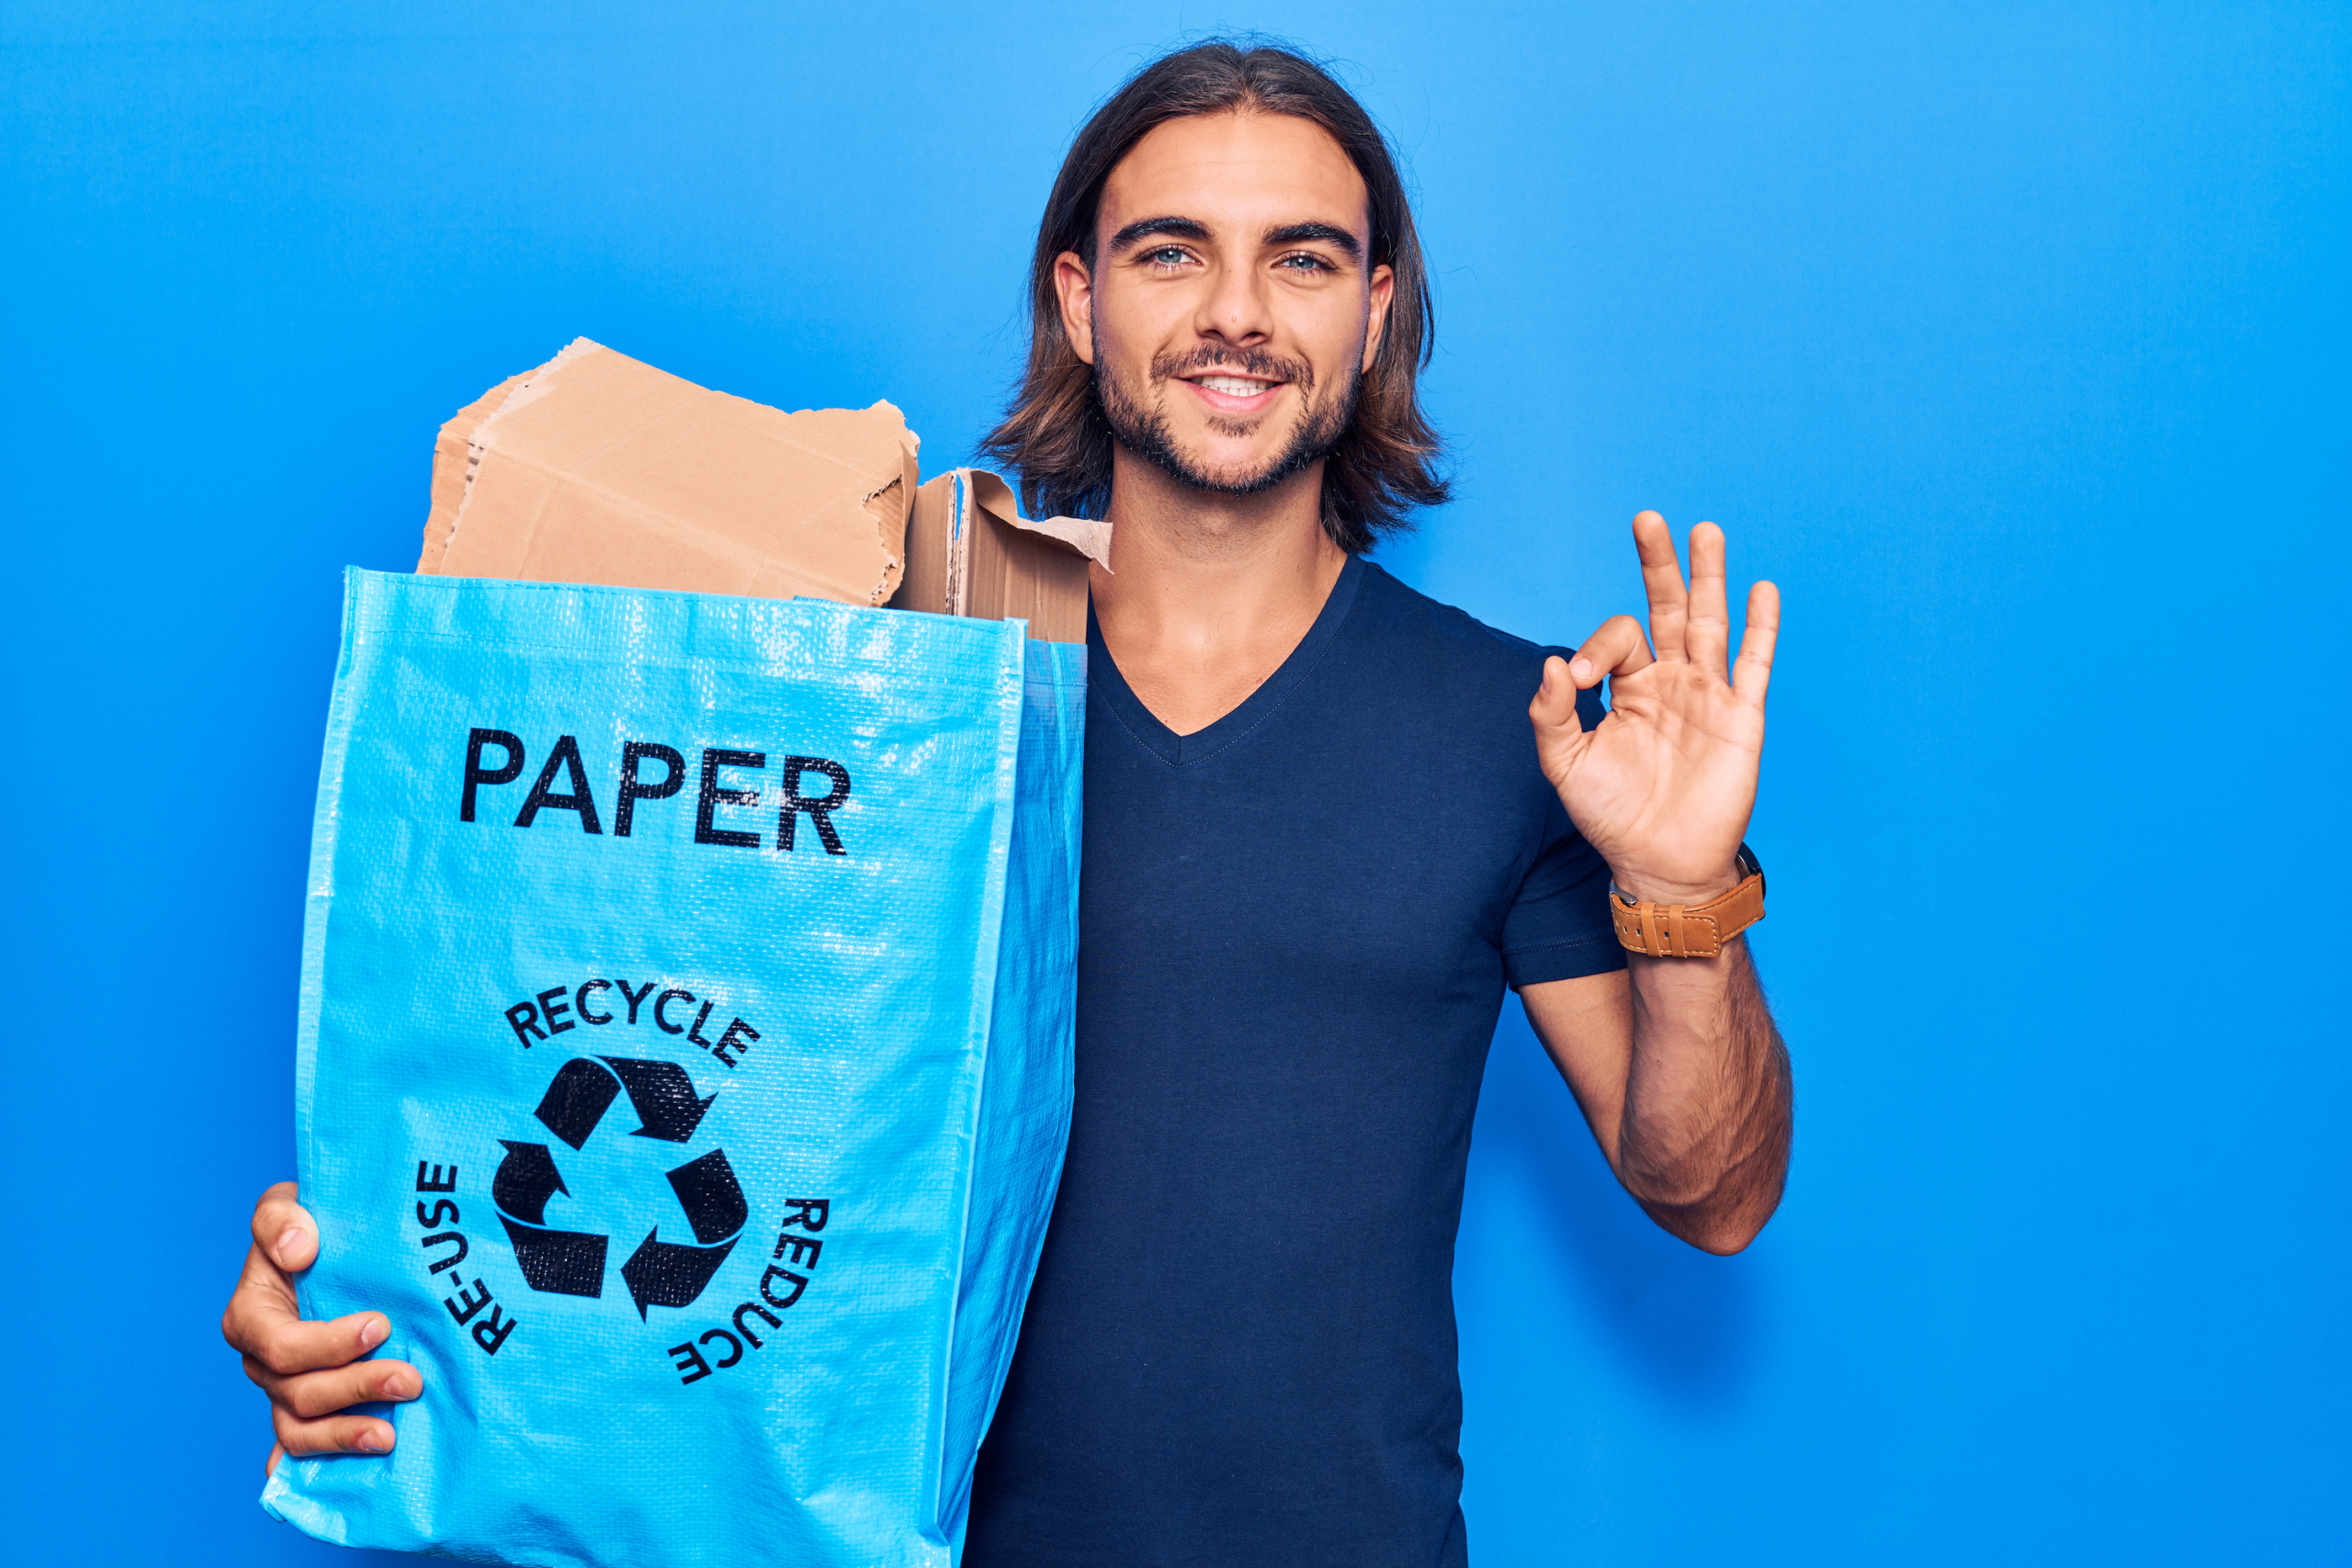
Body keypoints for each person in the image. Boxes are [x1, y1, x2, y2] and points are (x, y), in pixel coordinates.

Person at [222, 39, 1792, 1567]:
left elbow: (1710, 1197)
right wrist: (369, 1266)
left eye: (1303, 261)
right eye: (1172, 253)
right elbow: (587, 1014)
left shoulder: (1513, 728)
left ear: (1375, 313)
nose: (1237, 315)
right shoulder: (881, 701)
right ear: (1080, 300)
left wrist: (1684, 890)